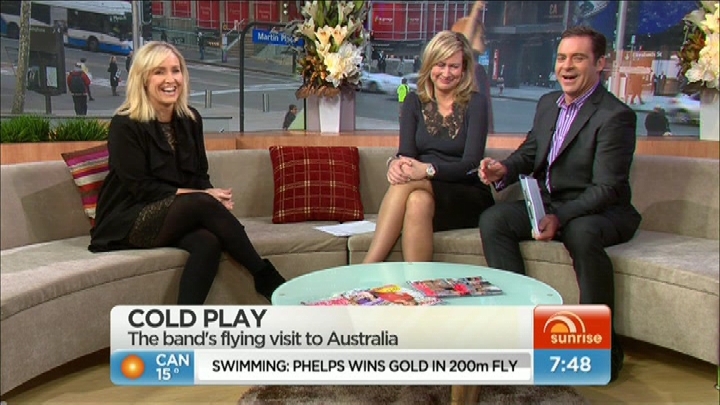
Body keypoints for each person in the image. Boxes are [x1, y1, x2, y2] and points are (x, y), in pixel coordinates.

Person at [477, 26, 641, 383]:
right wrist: (504, 168)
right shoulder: (548, 103)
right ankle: (519, 328)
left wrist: (558, 217)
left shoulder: (615, 116)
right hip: (551, 204)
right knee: (494, 220)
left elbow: (608, 188)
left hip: (601, 210)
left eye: (578, 58)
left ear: (600, 64)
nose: (566, 66)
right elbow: (531, 152)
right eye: (562, 57)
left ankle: (602, 351)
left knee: (581, 233)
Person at [88, 41, 286, 305]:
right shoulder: (125, 124)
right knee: (202, 201)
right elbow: (142, 189)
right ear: (143, 79)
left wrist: (210, 196)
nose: (170, 79)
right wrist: (205, 198)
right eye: (159, 72)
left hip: (172, 214)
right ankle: (267, 279)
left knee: (209, 242)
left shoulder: (190, 119)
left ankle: (185, 321)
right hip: (129, 218)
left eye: (176, 70)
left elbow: (199, 175)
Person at [362, 31, 494, 264]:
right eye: (440, 65)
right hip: (424, 191)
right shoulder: (413, 102)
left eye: (454, 66)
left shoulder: (476, 103)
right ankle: (419, 283)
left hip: (466, 194)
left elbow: (472, 164)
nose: (446, 73)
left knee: (410, 183)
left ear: (464, 69)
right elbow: (407, 154)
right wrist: (396, 164)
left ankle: (368, 266)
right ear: (430, 65)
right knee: (417, 201)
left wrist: (427, 170)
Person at [451, 0, 494, 133]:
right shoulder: (467, 69)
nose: (485, 40)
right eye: (481, 36)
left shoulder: (478, 70)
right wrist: (475, 11)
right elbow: (464, 42)